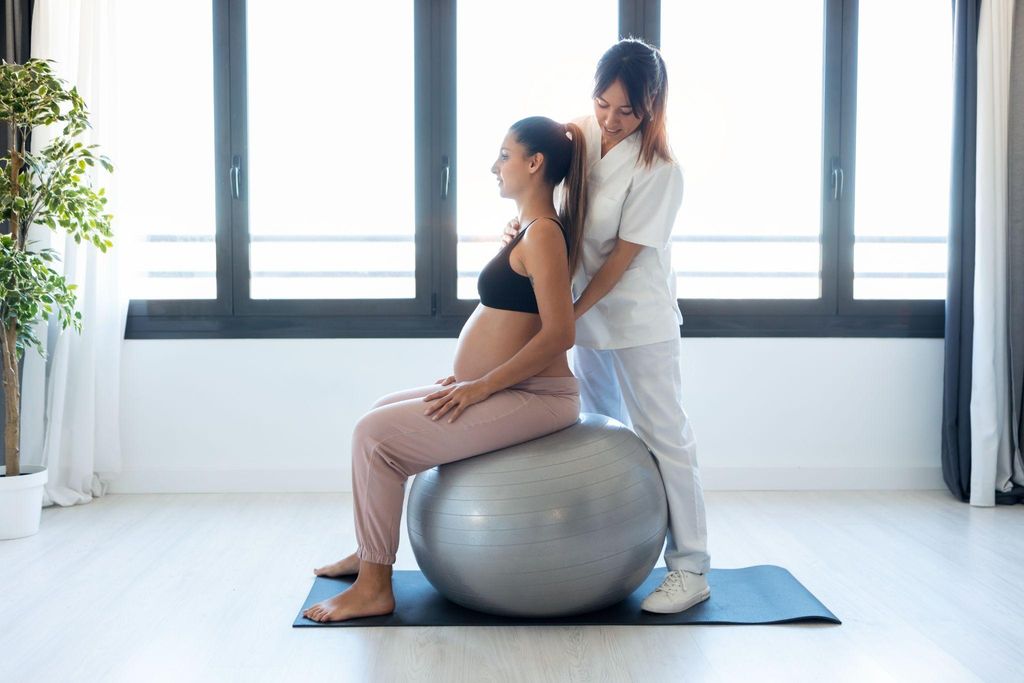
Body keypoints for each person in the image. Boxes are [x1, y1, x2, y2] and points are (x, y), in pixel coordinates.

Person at [304, 116, 587, 623]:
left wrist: (480, 385)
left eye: (504, 155)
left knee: (375, 437)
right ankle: (368, 552)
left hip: (542, 397)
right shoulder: (529, 231)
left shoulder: (544, 235)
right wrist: (472, 378)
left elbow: (559, 334)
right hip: (511, 386)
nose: (494, 167)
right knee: (378, 413)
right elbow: (519, 321)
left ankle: (374, 586)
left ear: (534, 162)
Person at [504, 38, 711, 614]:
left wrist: (567, 314)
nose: (612, 120)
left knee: (665, 438)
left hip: (637, 319)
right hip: (586, 317)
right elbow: (544, 204)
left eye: (628, 111)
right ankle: (605, 554)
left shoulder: (660, 170)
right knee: (601, 437)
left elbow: (622, 258)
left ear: (652, 107)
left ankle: (691, 566)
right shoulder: (578, 135)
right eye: (603, 103)